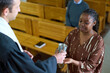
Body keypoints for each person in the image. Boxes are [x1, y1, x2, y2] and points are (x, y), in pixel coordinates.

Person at [0, 0, 66, 73]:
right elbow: (34, 71)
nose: (19, 10)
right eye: (17, 6)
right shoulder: (8, 47)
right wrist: (55, 59)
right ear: (6, 11)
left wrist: (20, 54)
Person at [64, 9, 105, 73]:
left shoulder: (98, 41)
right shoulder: (73, 34)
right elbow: (65, 48)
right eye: (80, 21)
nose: (82, 24)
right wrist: (60, 51)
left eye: (86, 23)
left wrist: (73, 61)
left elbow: (91, 65)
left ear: (94, 23)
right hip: (71, 70)